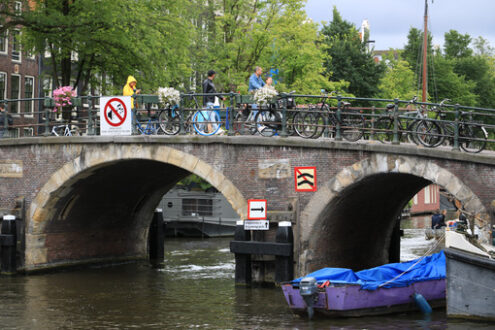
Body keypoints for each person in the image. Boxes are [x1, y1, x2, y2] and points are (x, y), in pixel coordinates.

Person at [200, 70, 224, 134]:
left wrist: (221, 97)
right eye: (214, 74)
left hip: (210, 101)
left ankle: (200, 129)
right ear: (213, 75)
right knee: (212, 115)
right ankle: (216, 129)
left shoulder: (210, 82)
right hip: (208, 101)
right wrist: (204, 103)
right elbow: (204, 93)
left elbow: (214, 92)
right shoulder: (206, 82)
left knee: (208, 117)